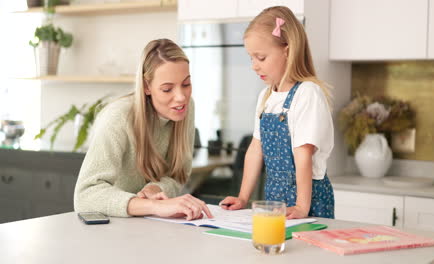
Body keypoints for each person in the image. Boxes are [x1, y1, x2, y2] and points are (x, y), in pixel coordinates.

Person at [74, 39, 212, 220]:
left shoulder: (186, 106)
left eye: (186, 85)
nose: (181, 97)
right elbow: (85, 196)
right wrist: (154, 206)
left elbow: (179, 174)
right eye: (167, 89)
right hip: (112, 228)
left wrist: (156, 189)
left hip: (149, 225)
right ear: (147, 87)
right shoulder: (118, 118)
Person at [220, 6, 335, 219]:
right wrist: (243, 197)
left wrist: (301, 206)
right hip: (274, 198)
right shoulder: (267, 97)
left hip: (308, 198)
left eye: (261, 58)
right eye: (251, 58)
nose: (254, 66)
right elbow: (256, 149)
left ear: (288, 51)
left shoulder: (307, 93)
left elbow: (303, 154)